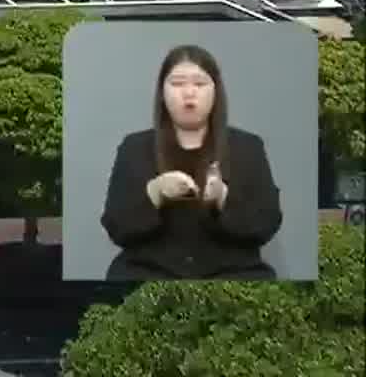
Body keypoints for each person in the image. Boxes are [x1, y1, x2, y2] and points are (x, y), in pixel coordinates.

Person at [99, 44, 281, 281]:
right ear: (162, 94)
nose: (189, 92)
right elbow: (117, 226)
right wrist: (155, 192)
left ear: (215, 91)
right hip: (149, 274)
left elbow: (267, 223)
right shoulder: (134, 147)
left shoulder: (248, 147)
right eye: (177, 83)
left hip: (232, 274)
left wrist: (222, 197)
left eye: (199, 83)